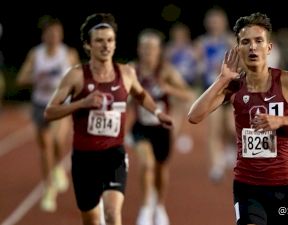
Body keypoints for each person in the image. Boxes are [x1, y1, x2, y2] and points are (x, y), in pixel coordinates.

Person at [188, 12, 288, 225]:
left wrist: (284, 121)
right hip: (247, 184)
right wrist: (221, 79)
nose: (252, 47)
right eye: (246, 42)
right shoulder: (233, 86)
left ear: (269, 48)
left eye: (258, 41)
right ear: (238, 49)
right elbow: (194, 116)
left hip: (283, 183)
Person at [43, 13, 173, 225]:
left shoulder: (126, 73)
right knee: (92, 220)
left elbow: (140, 94)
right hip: (84, 159)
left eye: (110, 40)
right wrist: (81, 103)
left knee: (113, 214)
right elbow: (49, 112)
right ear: (88, 45)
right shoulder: (76, 76)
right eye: (100, 41)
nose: (106, 46)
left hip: (114, 155)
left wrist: (157, 113)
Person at [128, 28, 193, 225]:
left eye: (152, 48)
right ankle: (146, 208)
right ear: (139, 49)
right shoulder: (132, 70)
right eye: (145, 47)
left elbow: (189, 95)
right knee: (147, 164)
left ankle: (160, 206)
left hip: (162, 129)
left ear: (159, 50)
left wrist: (169, 89)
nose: (148, 52)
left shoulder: (166, 71)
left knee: (160, 171)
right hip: (141, 127)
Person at [16, 15, 80, 212]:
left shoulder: (68, 53)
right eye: (50, 34)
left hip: (60, 104)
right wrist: (36, 77)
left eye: (57, 34)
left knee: (57, 141)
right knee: (44, 148)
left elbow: (79, 76)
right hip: (39, 105)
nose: (54, 37)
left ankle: (57, 167)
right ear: (44, 36)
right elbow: (20, 79)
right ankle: (49, 186)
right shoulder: (36, 55)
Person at [194, 6, 237, 183]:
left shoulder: (230, 40)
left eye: (217, 21)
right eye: (212, 21)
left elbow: (240, 60)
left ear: (224, 22)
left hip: (230, 90)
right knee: (213, 129)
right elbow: (195, 66)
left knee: (230, 127)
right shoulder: (201, 43)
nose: (214, 24)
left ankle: (230, 149)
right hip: (211, 90)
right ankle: (216, 166)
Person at [164, 22, 198, 153]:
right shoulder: (169, 50)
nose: (179, 38)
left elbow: (197, 66)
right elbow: (165, 67)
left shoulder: (192, 50)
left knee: (190, 112)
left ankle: (186, 136)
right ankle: (172, 138)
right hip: (176, 87)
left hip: (189, 86)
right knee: (176, 112)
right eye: (176, 35)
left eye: (181, 36)